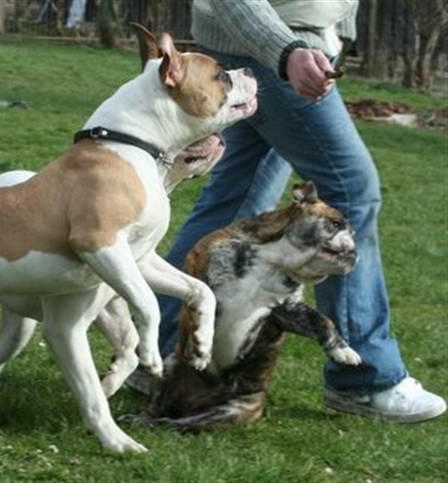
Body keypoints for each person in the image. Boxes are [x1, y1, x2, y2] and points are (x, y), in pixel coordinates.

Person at [147, 0, 446, 422]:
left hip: (300, 46)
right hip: (271, 48)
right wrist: (286, 51)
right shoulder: (281, 50)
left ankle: (163, 354)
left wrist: (337, 29)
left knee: (235, 203)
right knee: (350, 188)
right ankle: (364, 378)